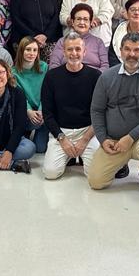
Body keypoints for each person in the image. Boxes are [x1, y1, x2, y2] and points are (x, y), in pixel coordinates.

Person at [88, 32, 139, 192]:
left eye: (137, 50)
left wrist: (130, 137)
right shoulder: (106, 77)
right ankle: (121, 164)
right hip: (113, 141)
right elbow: (97, 110)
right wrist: (103, 139)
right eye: (127, 49)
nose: (132, 54)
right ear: (120, 51)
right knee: (96, 182)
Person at [40, 33, 101, 180]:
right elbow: (47, 114)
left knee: (95, 176)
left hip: (87, 132)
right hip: (61, 132)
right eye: (70, 49)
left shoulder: (96, 76)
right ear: (63, 52)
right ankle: (70, 156)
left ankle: (77, 154)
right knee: (50, 173)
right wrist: (62, 138)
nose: (74, 53)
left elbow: (100, 113)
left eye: (78, 49)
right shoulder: (51, 76)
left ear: (84, 52)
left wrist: (85, 140)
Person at [12, 36, 49, 154]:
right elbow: (18, 97)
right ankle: (25, 131)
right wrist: (28, 111)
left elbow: (47, 92)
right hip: (25, 112)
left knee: (40, 149)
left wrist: (41, 110)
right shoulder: (13, 72)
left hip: (42, 111)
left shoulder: (44, 67)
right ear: (21, 51)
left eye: (35, 50)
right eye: (28, 49)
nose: (31, 53)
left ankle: (41, 128)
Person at [50, 3, 110, 71]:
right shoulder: (62, 41)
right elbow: (53, 66)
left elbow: (105, 67)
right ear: (72, 22)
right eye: (78, 19)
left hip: (93, 79)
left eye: (85, 19)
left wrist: (94, 77)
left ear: (90, 22)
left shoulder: (98, 42)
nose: (82, 22)